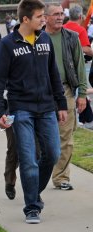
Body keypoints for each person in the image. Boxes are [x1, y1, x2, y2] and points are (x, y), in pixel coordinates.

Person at [0, 0, 68, 224]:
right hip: (20, 109)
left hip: (46, 108)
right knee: (28, 159)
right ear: (25, 19)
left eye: (44, 16)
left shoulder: (45, 40)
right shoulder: (7, 44)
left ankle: (34, 192)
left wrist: (60, 104)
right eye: (39, 16)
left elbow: (53, 73)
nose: (44, 20)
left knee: (52, 154)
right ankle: (32, 207)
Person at [44, 3, 87, 191]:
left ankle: (61, 177)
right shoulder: (37, 38)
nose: (60, 17)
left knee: (66, 138)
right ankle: (39, 176)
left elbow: (79, 67)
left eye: (62, 14)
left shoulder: (71, 38)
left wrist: (82, 94)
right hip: (41, 93)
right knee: (42, 140)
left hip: (66, 91)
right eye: (55, 14)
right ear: (45, 17)